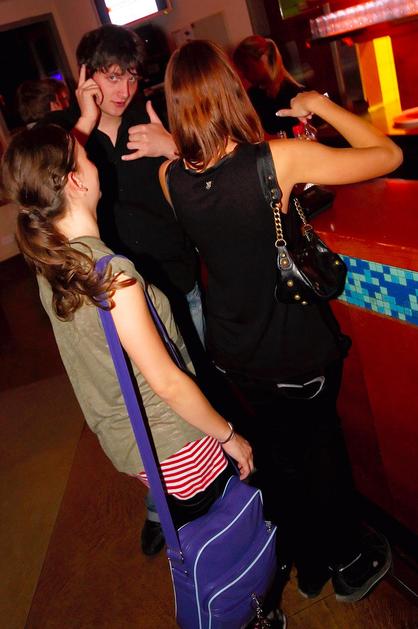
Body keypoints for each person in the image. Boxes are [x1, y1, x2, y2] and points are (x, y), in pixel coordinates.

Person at [160, 39, 403, 608]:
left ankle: (308, 565)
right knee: (321, 453)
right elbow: (387, 155)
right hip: (292, 347)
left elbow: (205, 174)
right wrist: (318, 104)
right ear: (230, 90)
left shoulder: (170, 177)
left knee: (282, 459)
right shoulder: (277, 160)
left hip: (233, 351)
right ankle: (348, 563)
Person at [1, 122, 256, 598]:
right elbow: (168, 382)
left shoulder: (52, 263)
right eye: (86, 157)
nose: (96, 162)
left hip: (136, 447)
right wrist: (229, 435)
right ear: (75, 181)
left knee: (201, 539)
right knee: (227, 545)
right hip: (178, 442)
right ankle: (242, 607)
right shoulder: (112, 277)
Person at [44, 24, 206, 554]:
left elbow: (213, 178)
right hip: (116, 302)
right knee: (140, 404)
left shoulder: (154, 119)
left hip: (175, 282)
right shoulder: (68, 138)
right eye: (112, 76)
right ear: (87, 76)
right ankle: (160, 502)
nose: (125, 88)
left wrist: (174, 146)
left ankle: (204, 492)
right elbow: (41, 192)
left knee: (189, 387)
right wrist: (85, 122)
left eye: (132, 75)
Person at [233, 35, 305, 138]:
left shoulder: (292, 91)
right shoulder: (253, 94)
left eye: (245, 68)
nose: (243, 75)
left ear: (260, 61)